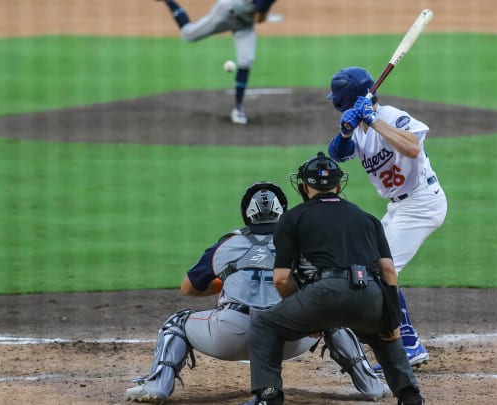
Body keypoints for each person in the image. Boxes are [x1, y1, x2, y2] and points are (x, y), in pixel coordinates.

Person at [125, 181, 388, 404]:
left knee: (177, 323)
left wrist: (224, 282)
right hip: (290, 338)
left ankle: (157, 386)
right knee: (332, 316)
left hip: (229, 336)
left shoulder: (229, 243)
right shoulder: (304, 241)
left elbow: (188, 287)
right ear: (283, 212)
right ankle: (371, 385)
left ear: (247, 214)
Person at [245, 152, 424, 405]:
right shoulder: (368, 219)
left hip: (323, 295)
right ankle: (410, 395)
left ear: (305, 187)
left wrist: (305, 311)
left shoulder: (292, 218)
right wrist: (392, 320)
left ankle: (268, 396)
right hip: (370, 294)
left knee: (264, 325)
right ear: (338, 186)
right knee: (385, 333)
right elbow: (388, 273)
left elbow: (281, 279)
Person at [326, 66, 448, 368]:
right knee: (365, 263)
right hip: (398, 208)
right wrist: (344, 132)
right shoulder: (357, 126)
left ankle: (408, 345)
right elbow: (337, 155)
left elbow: (411, 146)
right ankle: (394, 337)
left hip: (421, 204)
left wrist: (375, 121)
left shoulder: (392, 117)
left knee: (381, 270)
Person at [154, 0, 278, 125]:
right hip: (225, 14)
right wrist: (264, 13)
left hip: (244, 24)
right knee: (188, 34)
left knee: (246, 60)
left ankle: (238, 109)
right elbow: (259, 19)